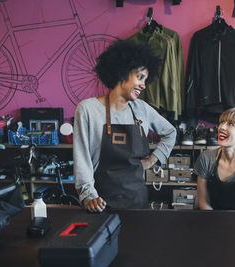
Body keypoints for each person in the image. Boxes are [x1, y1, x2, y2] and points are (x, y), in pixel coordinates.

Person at [74, 40, 176, 212]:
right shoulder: (88, 109)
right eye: (140, 77)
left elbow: (170, 132)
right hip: (100, 202)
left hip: (137, 200)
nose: (144, 85)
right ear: (122, 72)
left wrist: (153, 160)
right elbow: (82, 159)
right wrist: (89, 196)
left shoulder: (141, 109)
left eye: (145, 79)